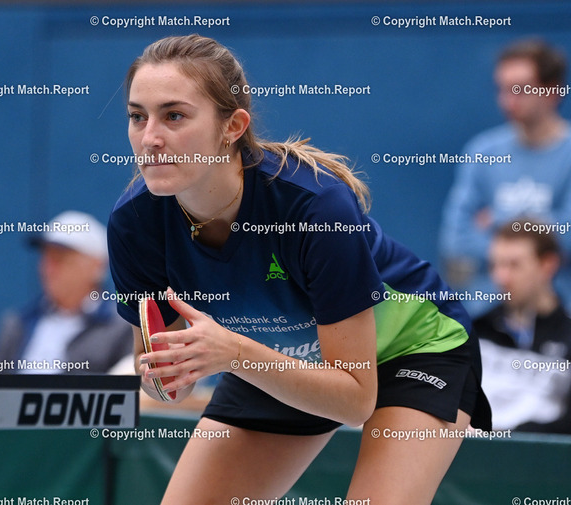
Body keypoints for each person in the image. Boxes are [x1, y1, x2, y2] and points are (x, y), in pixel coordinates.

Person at [108, 35, 491, 504]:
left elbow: (354, 400)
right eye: (137, 116)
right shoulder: (134, 223)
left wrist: (235, 354)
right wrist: (168, 375)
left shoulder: (317, 207)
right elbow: (156, 374)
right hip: (272, 358)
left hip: (412, 350)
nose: (150, 138)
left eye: (174, 116)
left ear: (233, 127)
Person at [440, 38, 571, 317]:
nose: (508, 100)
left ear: (552, 91)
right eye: (502, 88)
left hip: (560, 316)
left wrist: (497, 218)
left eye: (520, 88)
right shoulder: (482, 152)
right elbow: (455, 239)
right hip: (486, 315)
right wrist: (539, 232)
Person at [0, 210, 132, 374]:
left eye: (60, 258)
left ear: (97, 266)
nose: (49, 269)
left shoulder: (122, 327)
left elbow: (131, 385)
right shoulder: (17, 324)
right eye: (46, 258)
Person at [474, 219, 571, 434]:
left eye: (514, 265)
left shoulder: (567, 336)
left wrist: (510, 435)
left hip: (541, 453)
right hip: (477, 452)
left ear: (547, 265)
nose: (501, 277)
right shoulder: (475, 332)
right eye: (496, 265)